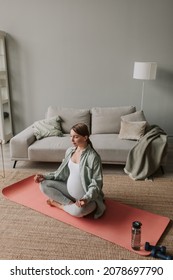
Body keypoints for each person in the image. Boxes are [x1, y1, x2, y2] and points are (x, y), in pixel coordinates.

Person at [34, 123, 106, 219]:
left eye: (75, 137)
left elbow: (96, 183)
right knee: (43, 184)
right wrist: (44, 176)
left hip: (87, 198)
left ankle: (59, 205)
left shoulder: (93, 157)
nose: (72, 140)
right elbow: (60, 173)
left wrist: (85, 199)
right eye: (71, 136)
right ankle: (71, 204)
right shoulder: (70, 151)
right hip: (68, 192)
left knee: (79, 211)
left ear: (85, 137)